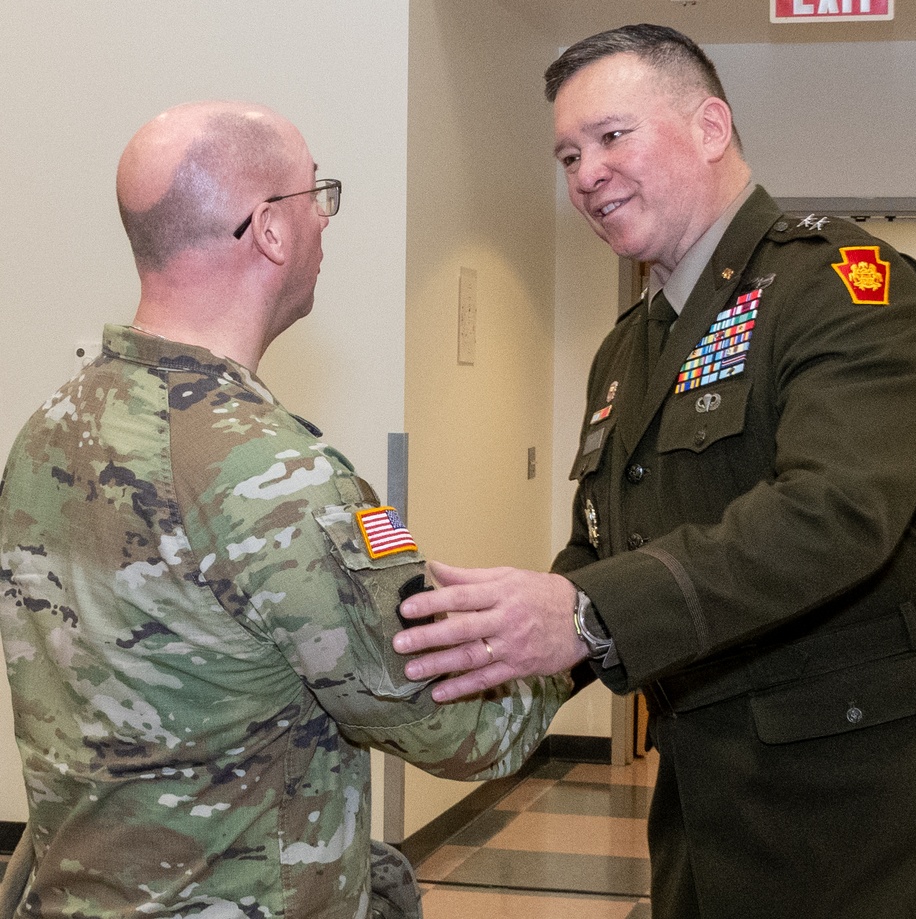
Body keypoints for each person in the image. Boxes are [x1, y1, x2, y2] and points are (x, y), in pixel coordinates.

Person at [393, 24, 916, 919]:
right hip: (709, 799)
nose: (585, 175)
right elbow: (601, 550)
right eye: (567, 155)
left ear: (711, 127)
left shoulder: (843, 286)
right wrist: (493, 659)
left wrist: (589, 616)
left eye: (611, 137)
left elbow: (833, 514)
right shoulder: (626, 349)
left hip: (866, 802)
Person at [0, 101, 569, 919]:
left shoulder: (47, 432)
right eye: (317, 196)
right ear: (269, 229)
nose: (325, 225)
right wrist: (584, 623)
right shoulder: (275, 477)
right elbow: (459, 729)